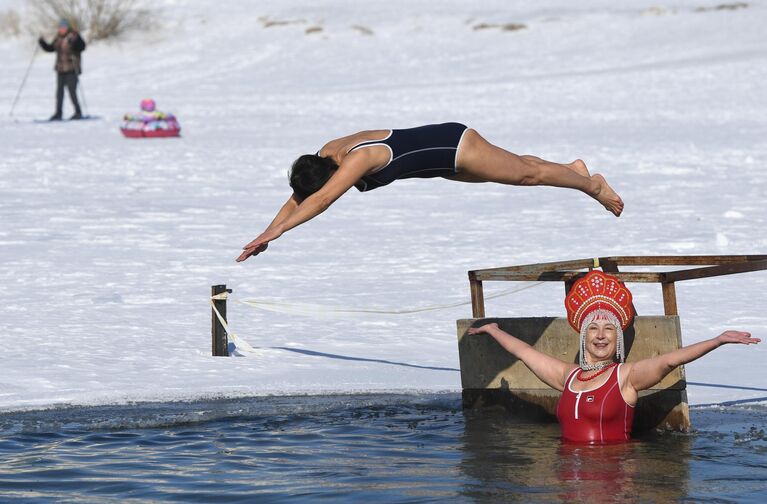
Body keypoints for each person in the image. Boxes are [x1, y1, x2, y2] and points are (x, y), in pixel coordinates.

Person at [237, 122, 624, 262]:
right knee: (516, 165)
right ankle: (573, 171)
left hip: (455, 147)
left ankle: (591, 184)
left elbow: (320, 200)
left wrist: (281, 231)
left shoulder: (358, 159)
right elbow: (301, 196)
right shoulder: (323, 156)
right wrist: (266, 232)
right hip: (442, 162)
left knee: (527, 175)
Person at [467, 270, 760, 443]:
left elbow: (670, 360)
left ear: (617, 336)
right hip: (568, 476)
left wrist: (717, 340)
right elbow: (524, 352)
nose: (600, 335)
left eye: (609, 328)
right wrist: (493, 331)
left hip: (615, 478)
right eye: (592, 328)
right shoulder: (567, 377)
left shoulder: (626, 378)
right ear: (583, 336)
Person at [38, 19, 86, 121]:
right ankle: (58, 113)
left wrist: (75, 44)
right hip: (60, 69)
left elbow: (82, 47)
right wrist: (42, 43)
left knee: (72, 92)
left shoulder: (74, 36)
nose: (61, 29)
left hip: (72, 69)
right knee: (59, 93)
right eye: (60, 27)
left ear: (67, 28)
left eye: (63, 27)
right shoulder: (58, 38)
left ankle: (78, 112)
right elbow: (51, 48)